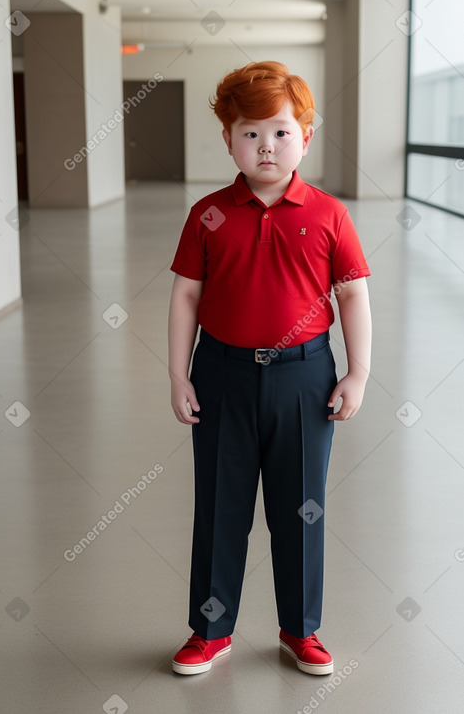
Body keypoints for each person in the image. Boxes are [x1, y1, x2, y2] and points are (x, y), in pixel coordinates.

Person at [167, 61, 372, 677]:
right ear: (228, 138)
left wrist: (357, 373)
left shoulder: (330, 213)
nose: (266, 145)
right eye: (250, 132)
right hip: (222, 376)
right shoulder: (208, 214)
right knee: (220, 506)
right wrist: (178, 375)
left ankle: (301, 630)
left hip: (305, 379)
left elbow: (353, 295)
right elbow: (185, 296)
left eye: (281, 131)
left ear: (305, 137)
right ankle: (210, 631)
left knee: (301, 507)